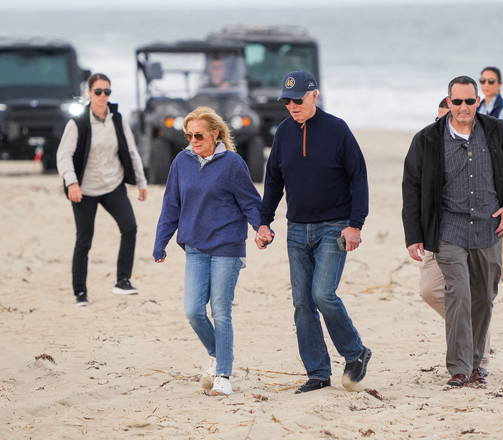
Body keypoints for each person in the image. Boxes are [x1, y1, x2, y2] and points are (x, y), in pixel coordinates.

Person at [402, 76, 503, 387]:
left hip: (489, 227)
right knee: (458, 294)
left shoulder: (496, 131)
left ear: (478, 101)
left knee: (484, 297)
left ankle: (477, 365)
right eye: (456, 102)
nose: (463, 107)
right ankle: (459, 368)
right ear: (448, 103)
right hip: (449, 228)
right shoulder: (427, 139)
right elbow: (412, 188)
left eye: (469, 101)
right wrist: (413, 234)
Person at [256, 71, 372, 394]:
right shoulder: (282, 133)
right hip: (296, 230)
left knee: (323, 294)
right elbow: (274, 181)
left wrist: (355, 224)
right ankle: (318, 373)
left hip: (334, 227)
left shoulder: (337, 130)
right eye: (287, 101)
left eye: (298, 99)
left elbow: (358, 178)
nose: (292, 106)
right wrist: (264, 222)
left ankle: (355, 352)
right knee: (302, 303)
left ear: (314, 95)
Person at [153, 106, 262, 397]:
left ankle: (223, 375)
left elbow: (251, 202)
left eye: (198, 135)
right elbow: (171, 204)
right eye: (188, 135)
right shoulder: (182, 162)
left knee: (221, 311)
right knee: (193, 311)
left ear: (215, 133)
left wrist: (261, 228)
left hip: (227, 246)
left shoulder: (233, 163)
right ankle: (217, 354)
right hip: (195, 246)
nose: (193, 140)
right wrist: (161, 240)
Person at [57, 73, 147, 307]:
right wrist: (71, 183)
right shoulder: (78, 123)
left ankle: (123, 281)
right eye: (98, 92)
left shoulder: (117, 119)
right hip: (84, 189)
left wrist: (141, 182)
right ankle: (80, 292)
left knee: (130, 228)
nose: (103, 96)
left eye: (107, 92)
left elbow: (131, 150)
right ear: (89, 93)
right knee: (84, 241)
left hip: (113, 184)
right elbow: (63, 155)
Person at [418, 97, 491, 374]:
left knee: (475, 295)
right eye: (438, 118)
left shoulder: (480, 141)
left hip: (475, 229)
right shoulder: (430, 143)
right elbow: (414, 186)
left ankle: (476, 355)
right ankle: (469, 335)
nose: (441, 123)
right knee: (429, 290)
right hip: (436, 230)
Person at [478, 66, 503, 280]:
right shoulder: (478, 107)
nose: (486, 85)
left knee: (502, 217)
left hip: (499, 173)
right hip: (481, 172)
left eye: (491, 81)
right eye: (482, 80)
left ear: (499, 84)